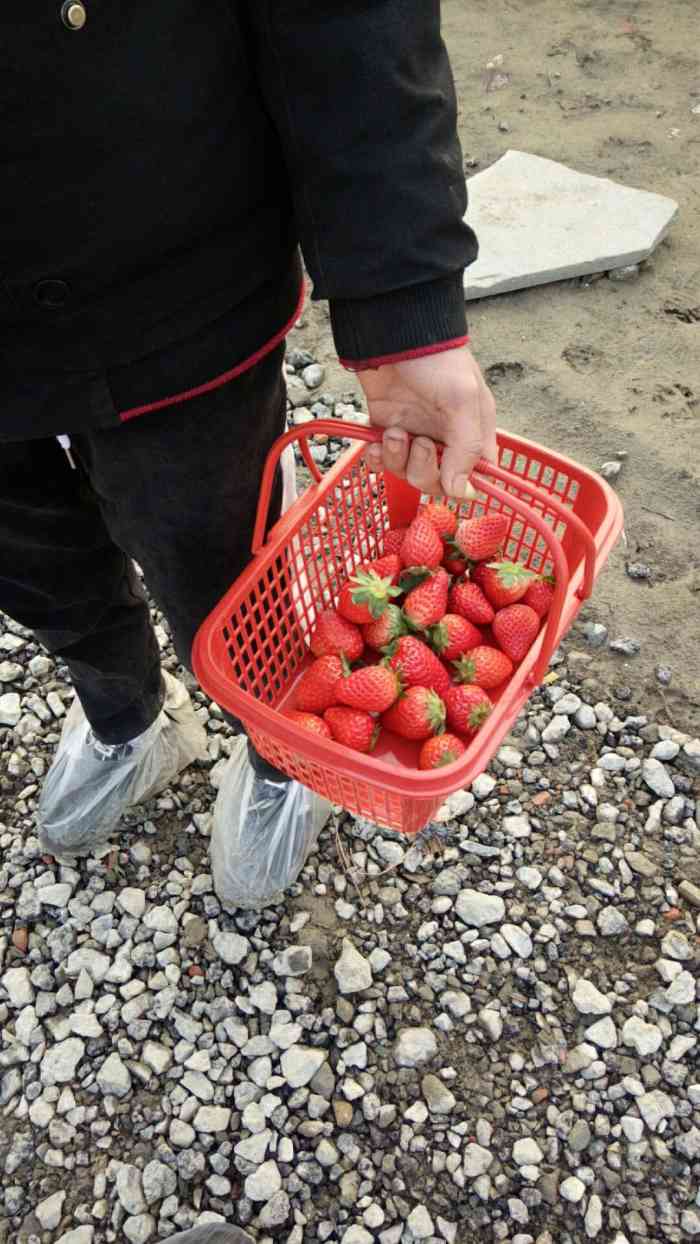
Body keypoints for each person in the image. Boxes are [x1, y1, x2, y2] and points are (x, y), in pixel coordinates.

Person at [0, 2, 496, 895]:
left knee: (225, 566)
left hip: (171, 279)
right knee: (30, 562)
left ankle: (283, 752)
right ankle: (126, 716)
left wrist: (405, 302)